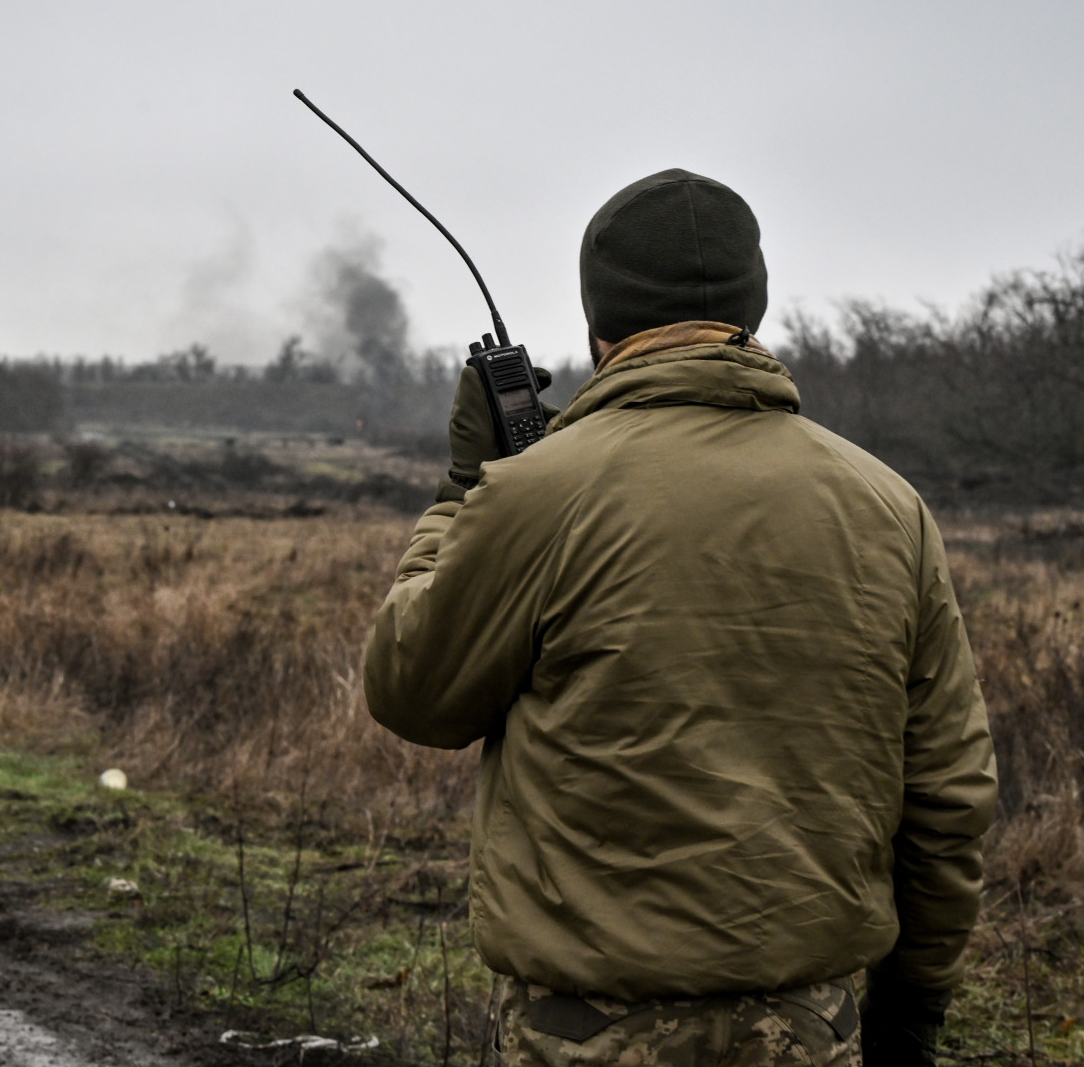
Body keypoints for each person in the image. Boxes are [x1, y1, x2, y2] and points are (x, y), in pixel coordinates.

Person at [363, 169, 997, 1067]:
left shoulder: (535, 494)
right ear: (753, 307)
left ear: (600, 323)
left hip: (580, 1037)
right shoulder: (890, 507)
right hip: (808, 1029)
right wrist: (912, 1011)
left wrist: (467, 488)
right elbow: (947, 791)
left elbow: (412, 689)